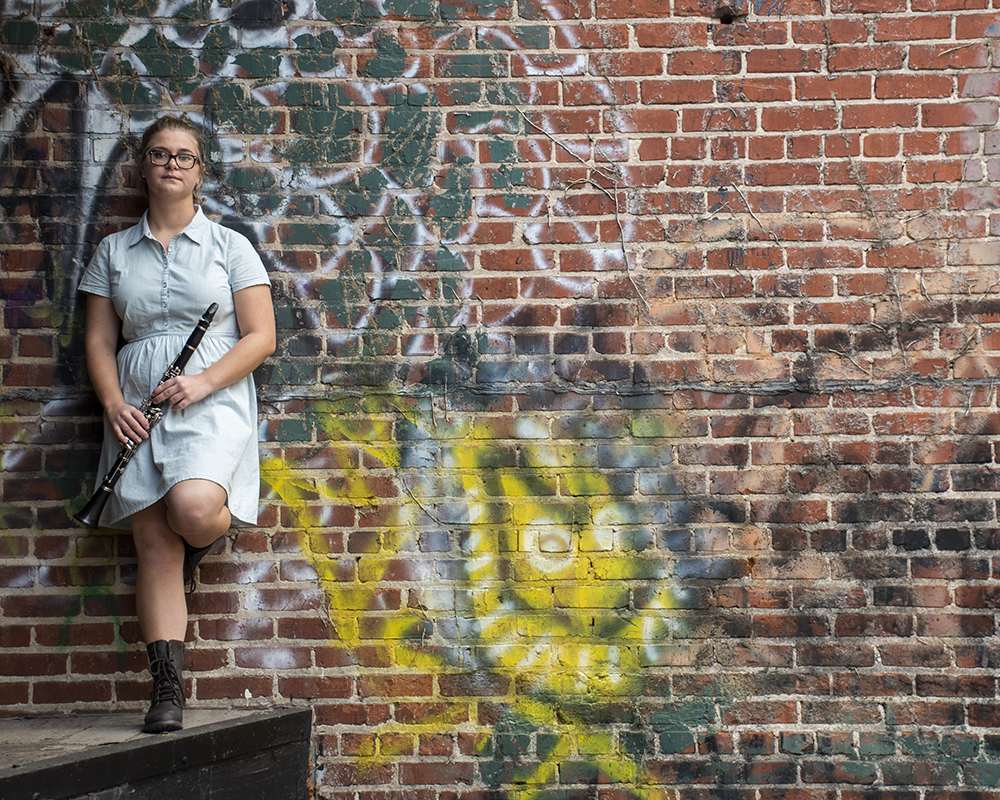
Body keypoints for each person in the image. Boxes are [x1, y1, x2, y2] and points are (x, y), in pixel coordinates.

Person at [78, 115, 275, 733]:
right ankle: (166, 688)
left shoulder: (229, 245)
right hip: (137, 404)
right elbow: (99, 340)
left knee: (191, 511)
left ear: (199, 172)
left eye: (184, 156)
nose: (171, 163)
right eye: (159, 154)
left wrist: (203, 381)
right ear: (143, 166)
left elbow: (261, 336)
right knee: (155, 546)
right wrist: (114, 404)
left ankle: (204, 536)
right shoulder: (113, 252)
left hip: (208, 397)